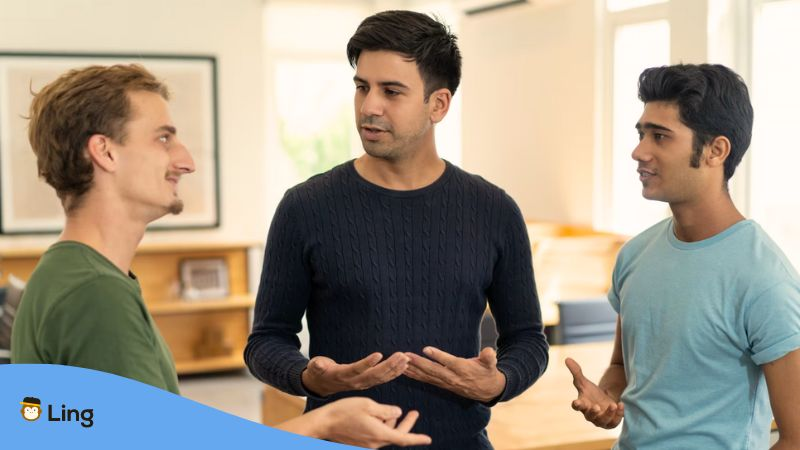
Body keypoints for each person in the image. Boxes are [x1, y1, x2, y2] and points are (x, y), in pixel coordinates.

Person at [11, 64, 429, 449]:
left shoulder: (68, 274)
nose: (186, 161)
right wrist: (322, 426)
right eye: (163, 138)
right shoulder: (95, 295)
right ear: (105, 152)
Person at [244, 10, 548, 449]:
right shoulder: (305, 207)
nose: (370, 106)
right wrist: (309, 376)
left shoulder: (494, 209)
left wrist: (500, 381)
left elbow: (529, 340)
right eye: (362, 87)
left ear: (438, 104)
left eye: (392, 91)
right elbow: (266, 341)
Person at [566, 64, 800, 449]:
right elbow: (622, 368)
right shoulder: (635, 255)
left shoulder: (763, 278)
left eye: (660, 137)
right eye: (642, 134)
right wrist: (607, 399)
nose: (639, 151)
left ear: (715, 151)